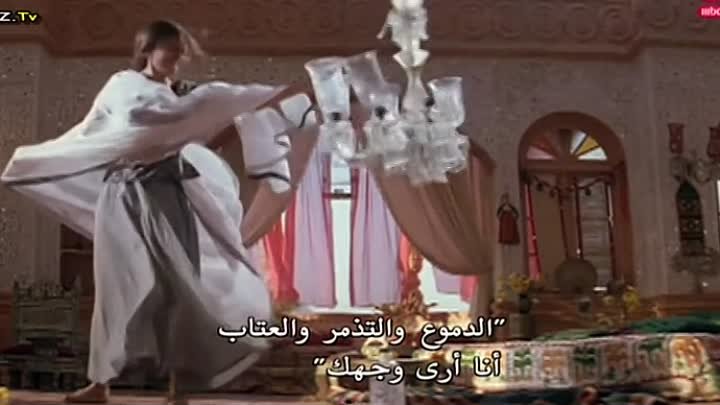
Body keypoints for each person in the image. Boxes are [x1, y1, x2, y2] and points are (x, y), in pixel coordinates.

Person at [0, 19, 315, 404]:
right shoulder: (123, 85)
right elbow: (103, 130)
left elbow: (217, 109)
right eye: (171, 51)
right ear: (148, 49)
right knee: (114, 287)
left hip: (169, 194)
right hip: (123, 193)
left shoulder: (185, 97)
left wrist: (278, 99)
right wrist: (175, 117)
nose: (177, 60)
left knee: (179, 287)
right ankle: (99, 384)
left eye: (182, 54)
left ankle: (178, 387)